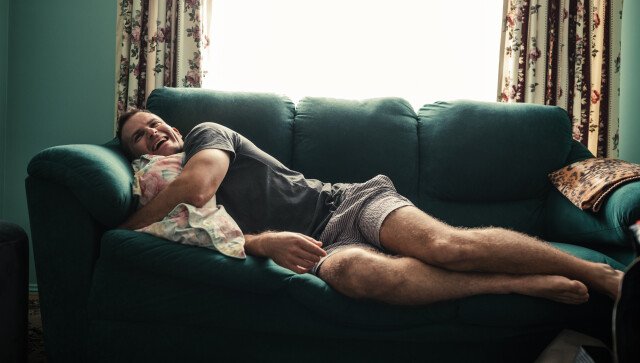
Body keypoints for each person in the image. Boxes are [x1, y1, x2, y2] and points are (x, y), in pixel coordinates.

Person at [116, 108, 623, 306]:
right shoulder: (165, 205)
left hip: (349, 203)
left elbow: (199, 187)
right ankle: (513, 283)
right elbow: (215, 237)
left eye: (155, 123)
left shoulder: (205, 136)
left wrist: (122, 227)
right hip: (317, 248)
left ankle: (599, 274)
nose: (152, 134)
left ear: (175, 128)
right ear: (137, 157)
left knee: (447, 246)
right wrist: (263, 243)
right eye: (139, 137)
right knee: (360, 277)